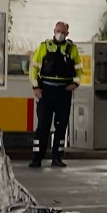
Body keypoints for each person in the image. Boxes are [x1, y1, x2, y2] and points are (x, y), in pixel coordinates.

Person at [29, 21, 84, 168]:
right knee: (43, 126)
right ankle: (36, 158)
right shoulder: (44, 47)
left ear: (67, 33)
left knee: (61, 127)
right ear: (54, 30)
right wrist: (35, 87)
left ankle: (57, 157)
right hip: (46, 91)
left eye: (63, 32)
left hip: (63, 92)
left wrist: (76, 83)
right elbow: (33, 68)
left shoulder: (72, 49)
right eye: (58, 30)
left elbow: (79, 69)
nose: (60, 34)